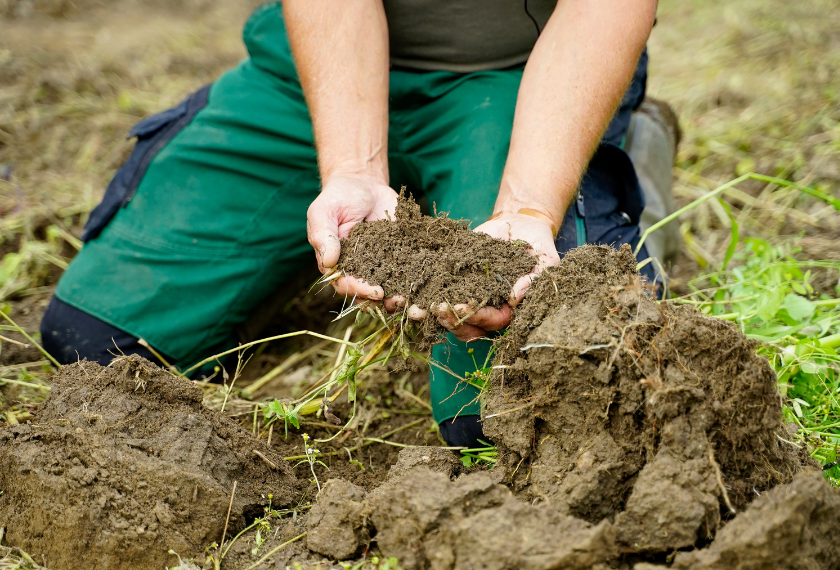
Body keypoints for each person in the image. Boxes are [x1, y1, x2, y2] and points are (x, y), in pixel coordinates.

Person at [41, 0, 674, 448]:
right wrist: (352, 168)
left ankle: (622, 161)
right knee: (91, 340)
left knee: (504, 413)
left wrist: (529, 208)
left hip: (523, 75)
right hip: (322, 65)